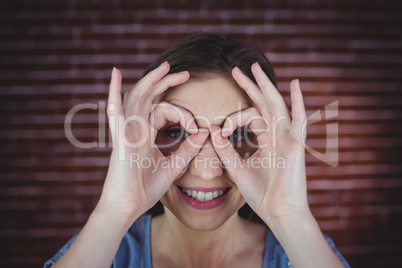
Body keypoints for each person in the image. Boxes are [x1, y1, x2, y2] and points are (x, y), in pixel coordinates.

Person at [44, 32, 350, 268]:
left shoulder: (305, 251)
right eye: (175, 132)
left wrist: (291, 217)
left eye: (238, 134)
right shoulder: (100, 251)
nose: (207, 171)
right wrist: (114, 211)